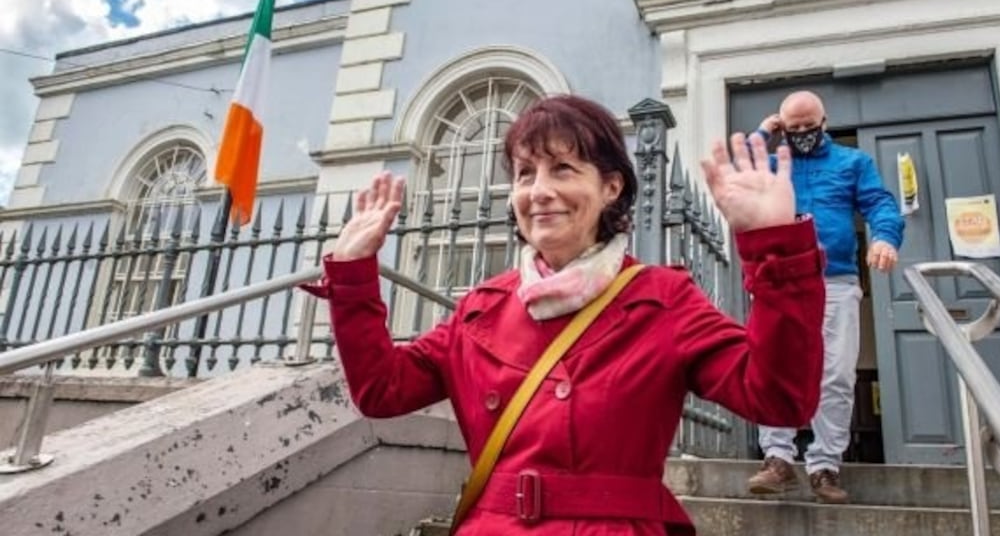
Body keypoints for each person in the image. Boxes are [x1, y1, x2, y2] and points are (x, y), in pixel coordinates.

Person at [303, 94, 826, 535]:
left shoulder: (662, 297)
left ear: (611, 187)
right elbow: (382, 390)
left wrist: (772, 248)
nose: (539, 191)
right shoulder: (482, 308)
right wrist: (353, 276)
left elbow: (779, 397)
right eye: (525, 173)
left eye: (563, 169)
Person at [747, 90, 904, 504]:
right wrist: (765, 131)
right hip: (780, 280)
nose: (801, 134)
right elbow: (741, 169)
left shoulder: (853, 163)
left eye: (808, 126)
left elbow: (880, 204)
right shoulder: (776, 163)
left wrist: (885, 238)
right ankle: (777, 459)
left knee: (834, 374)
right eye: (792, 127)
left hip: (835, 280)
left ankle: (824, 465)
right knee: (775, 366)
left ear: (824, 122)